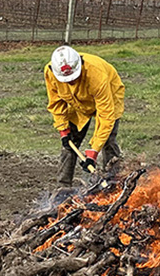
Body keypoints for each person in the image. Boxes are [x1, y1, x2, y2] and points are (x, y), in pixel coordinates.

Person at [44, 45, 124, 187]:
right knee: (70, 143)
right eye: (66, 80)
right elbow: (56, 103)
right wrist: (63, 129)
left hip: (108, 96)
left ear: (80, 66)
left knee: (108, 141)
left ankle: (115, 183)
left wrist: (93, 151)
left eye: (73, 78)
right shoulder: (51, 72)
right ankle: (63, 187)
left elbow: (106, 115)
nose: (70, 82)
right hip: (77, 103)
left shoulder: (96, 74)